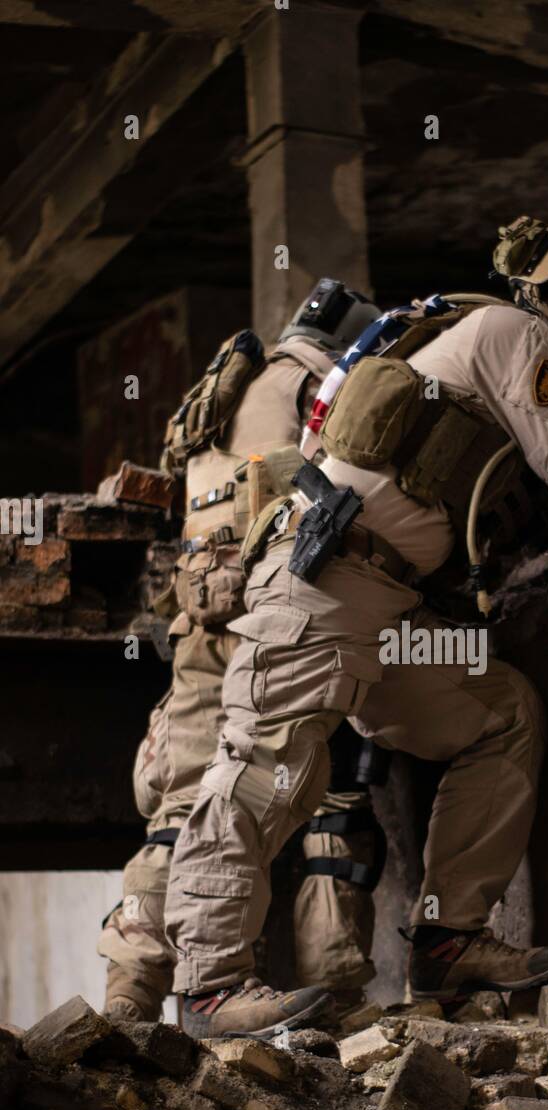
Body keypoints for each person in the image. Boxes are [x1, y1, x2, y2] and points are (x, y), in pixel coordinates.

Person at [163, 207, 548, 1040]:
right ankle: (210, 988)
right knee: (262, 774)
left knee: (501, 715)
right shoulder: (510, 330)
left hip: (385, 607)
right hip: (322, 585)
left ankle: (447, 943)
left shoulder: (466, 336)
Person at [99, 280, 383, 1026]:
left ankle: (129, 996)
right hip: (280, 609)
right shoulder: (328, 385)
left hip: (201, 614)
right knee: (327, 794)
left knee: (183, 805)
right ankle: (336, 996)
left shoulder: (221, 387)